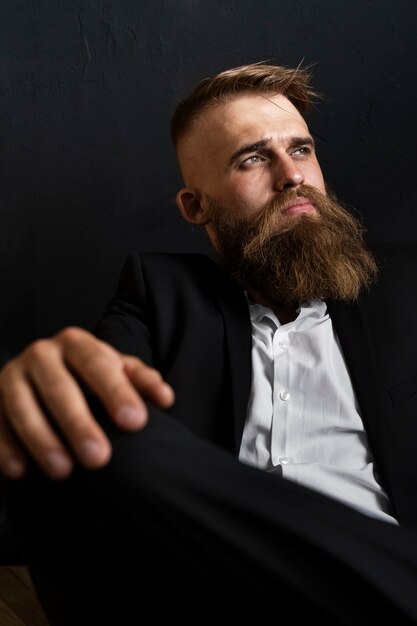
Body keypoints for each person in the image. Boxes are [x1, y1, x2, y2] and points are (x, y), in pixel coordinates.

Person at [1, 62, 417, 624]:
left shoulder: (402, 286)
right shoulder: (160, 292)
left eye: (301, 150)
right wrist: (51, 385)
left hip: (380, 583)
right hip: (213, 586)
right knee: (72, 429)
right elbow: (106, 412)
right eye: (252, 158)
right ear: (196, 207)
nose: (292, 176)